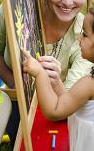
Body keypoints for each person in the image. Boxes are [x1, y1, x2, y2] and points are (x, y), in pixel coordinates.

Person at [0, 0, 94, 146]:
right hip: (14, 101)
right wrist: (16, 85)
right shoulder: (13, 11)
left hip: (57, 116)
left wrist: (52, 81)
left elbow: (66, 107)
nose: (68, 2)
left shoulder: (85, 38)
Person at [22, 8, 94, 151]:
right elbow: (73, 104)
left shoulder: (89, 84)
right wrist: (56, 82)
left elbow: (54, 110)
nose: (79, 37)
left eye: (85, 35)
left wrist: (40, 74)